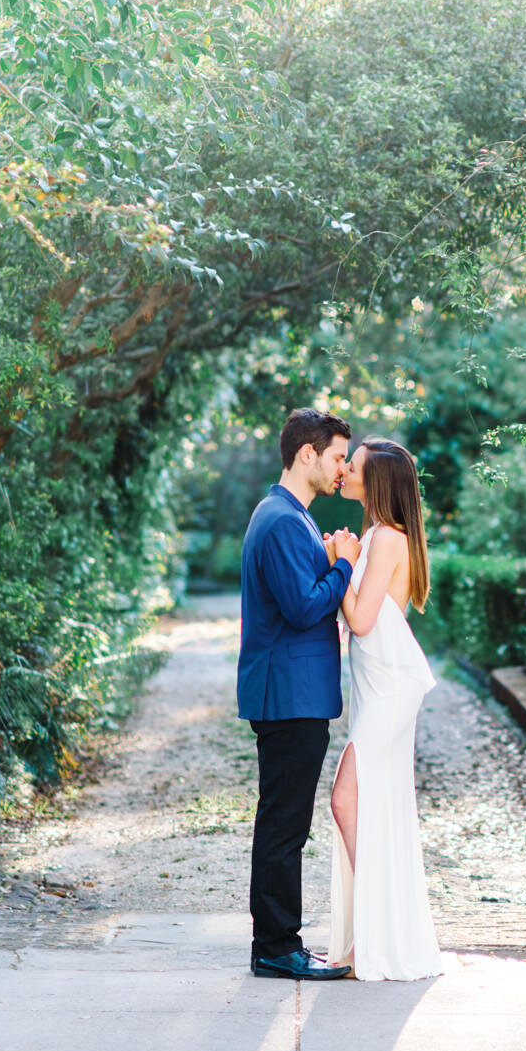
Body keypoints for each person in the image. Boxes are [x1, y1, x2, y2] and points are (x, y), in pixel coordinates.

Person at [237, 408, 359, 981]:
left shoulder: (291, 516)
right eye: (337, 457)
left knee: (284, 822)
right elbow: (305, 605)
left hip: (295, 694)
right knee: (284, 825)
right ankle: (276, 946)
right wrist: (343, 566)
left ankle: (278, 942)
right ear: (306, 454)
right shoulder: (283, 520)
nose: (342, 469)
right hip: (288, 697)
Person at [325, 436, 445, 981]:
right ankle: (375, 935)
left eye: (353, 466)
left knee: (346, 799)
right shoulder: (377, 534)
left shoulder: (388, 539)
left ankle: (377, 929)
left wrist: (341, 563)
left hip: (392, 690)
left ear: (376, 483)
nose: (344, 471)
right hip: (377, 688)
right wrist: (345, 562)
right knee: (366, 802)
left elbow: (362, 619)